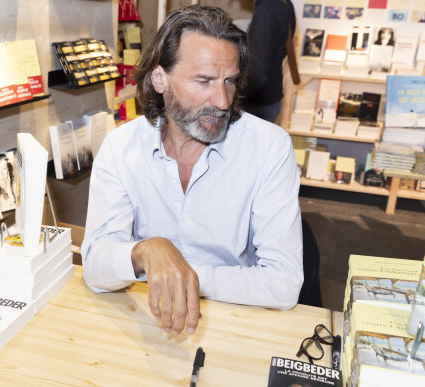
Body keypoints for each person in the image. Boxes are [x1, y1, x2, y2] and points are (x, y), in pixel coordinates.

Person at [81, 5, 303, 336]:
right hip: (145, 322)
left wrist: (184, 274)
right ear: (160, 79)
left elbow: (284, 283)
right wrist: (146, 251)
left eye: (229, 81)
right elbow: (96, 268)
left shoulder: (269, 147)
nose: (223, 101)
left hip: (235, 323)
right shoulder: (121, 147)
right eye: (204, 81)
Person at [241, 0, 296, 123]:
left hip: (258, 105)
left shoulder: (267, 10)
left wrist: (237, 96)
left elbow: (257, 73)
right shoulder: (285, 4)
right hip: (271, 96)